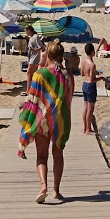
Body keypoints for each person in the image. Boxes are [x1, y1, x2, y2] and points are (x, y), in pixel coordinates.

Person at [18, 41, 73, 204]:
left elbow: (33, 98)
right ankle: (56, 190)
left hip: (42, 119)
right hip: (60, 120)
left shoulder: (40, 74)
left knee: (42, 156)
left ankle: (43, 186)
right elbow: (68, 99)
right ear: (61, 56)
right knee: (58, 154)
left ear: (47, 55)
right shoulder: (67, 75)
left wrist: (27, 117)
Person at [78, 43, 101, 134]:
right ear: (92, 51)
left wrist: (94, 72)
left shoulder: (84, 61)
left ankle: (85, 128)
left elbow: (82, 73)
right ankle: (88, 129)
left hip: (84, 84)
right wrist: (101, 78)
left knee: (85, 107)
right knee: (90, 109)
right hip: (90, 86)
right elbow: (92, 80)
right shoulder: (92, 64)